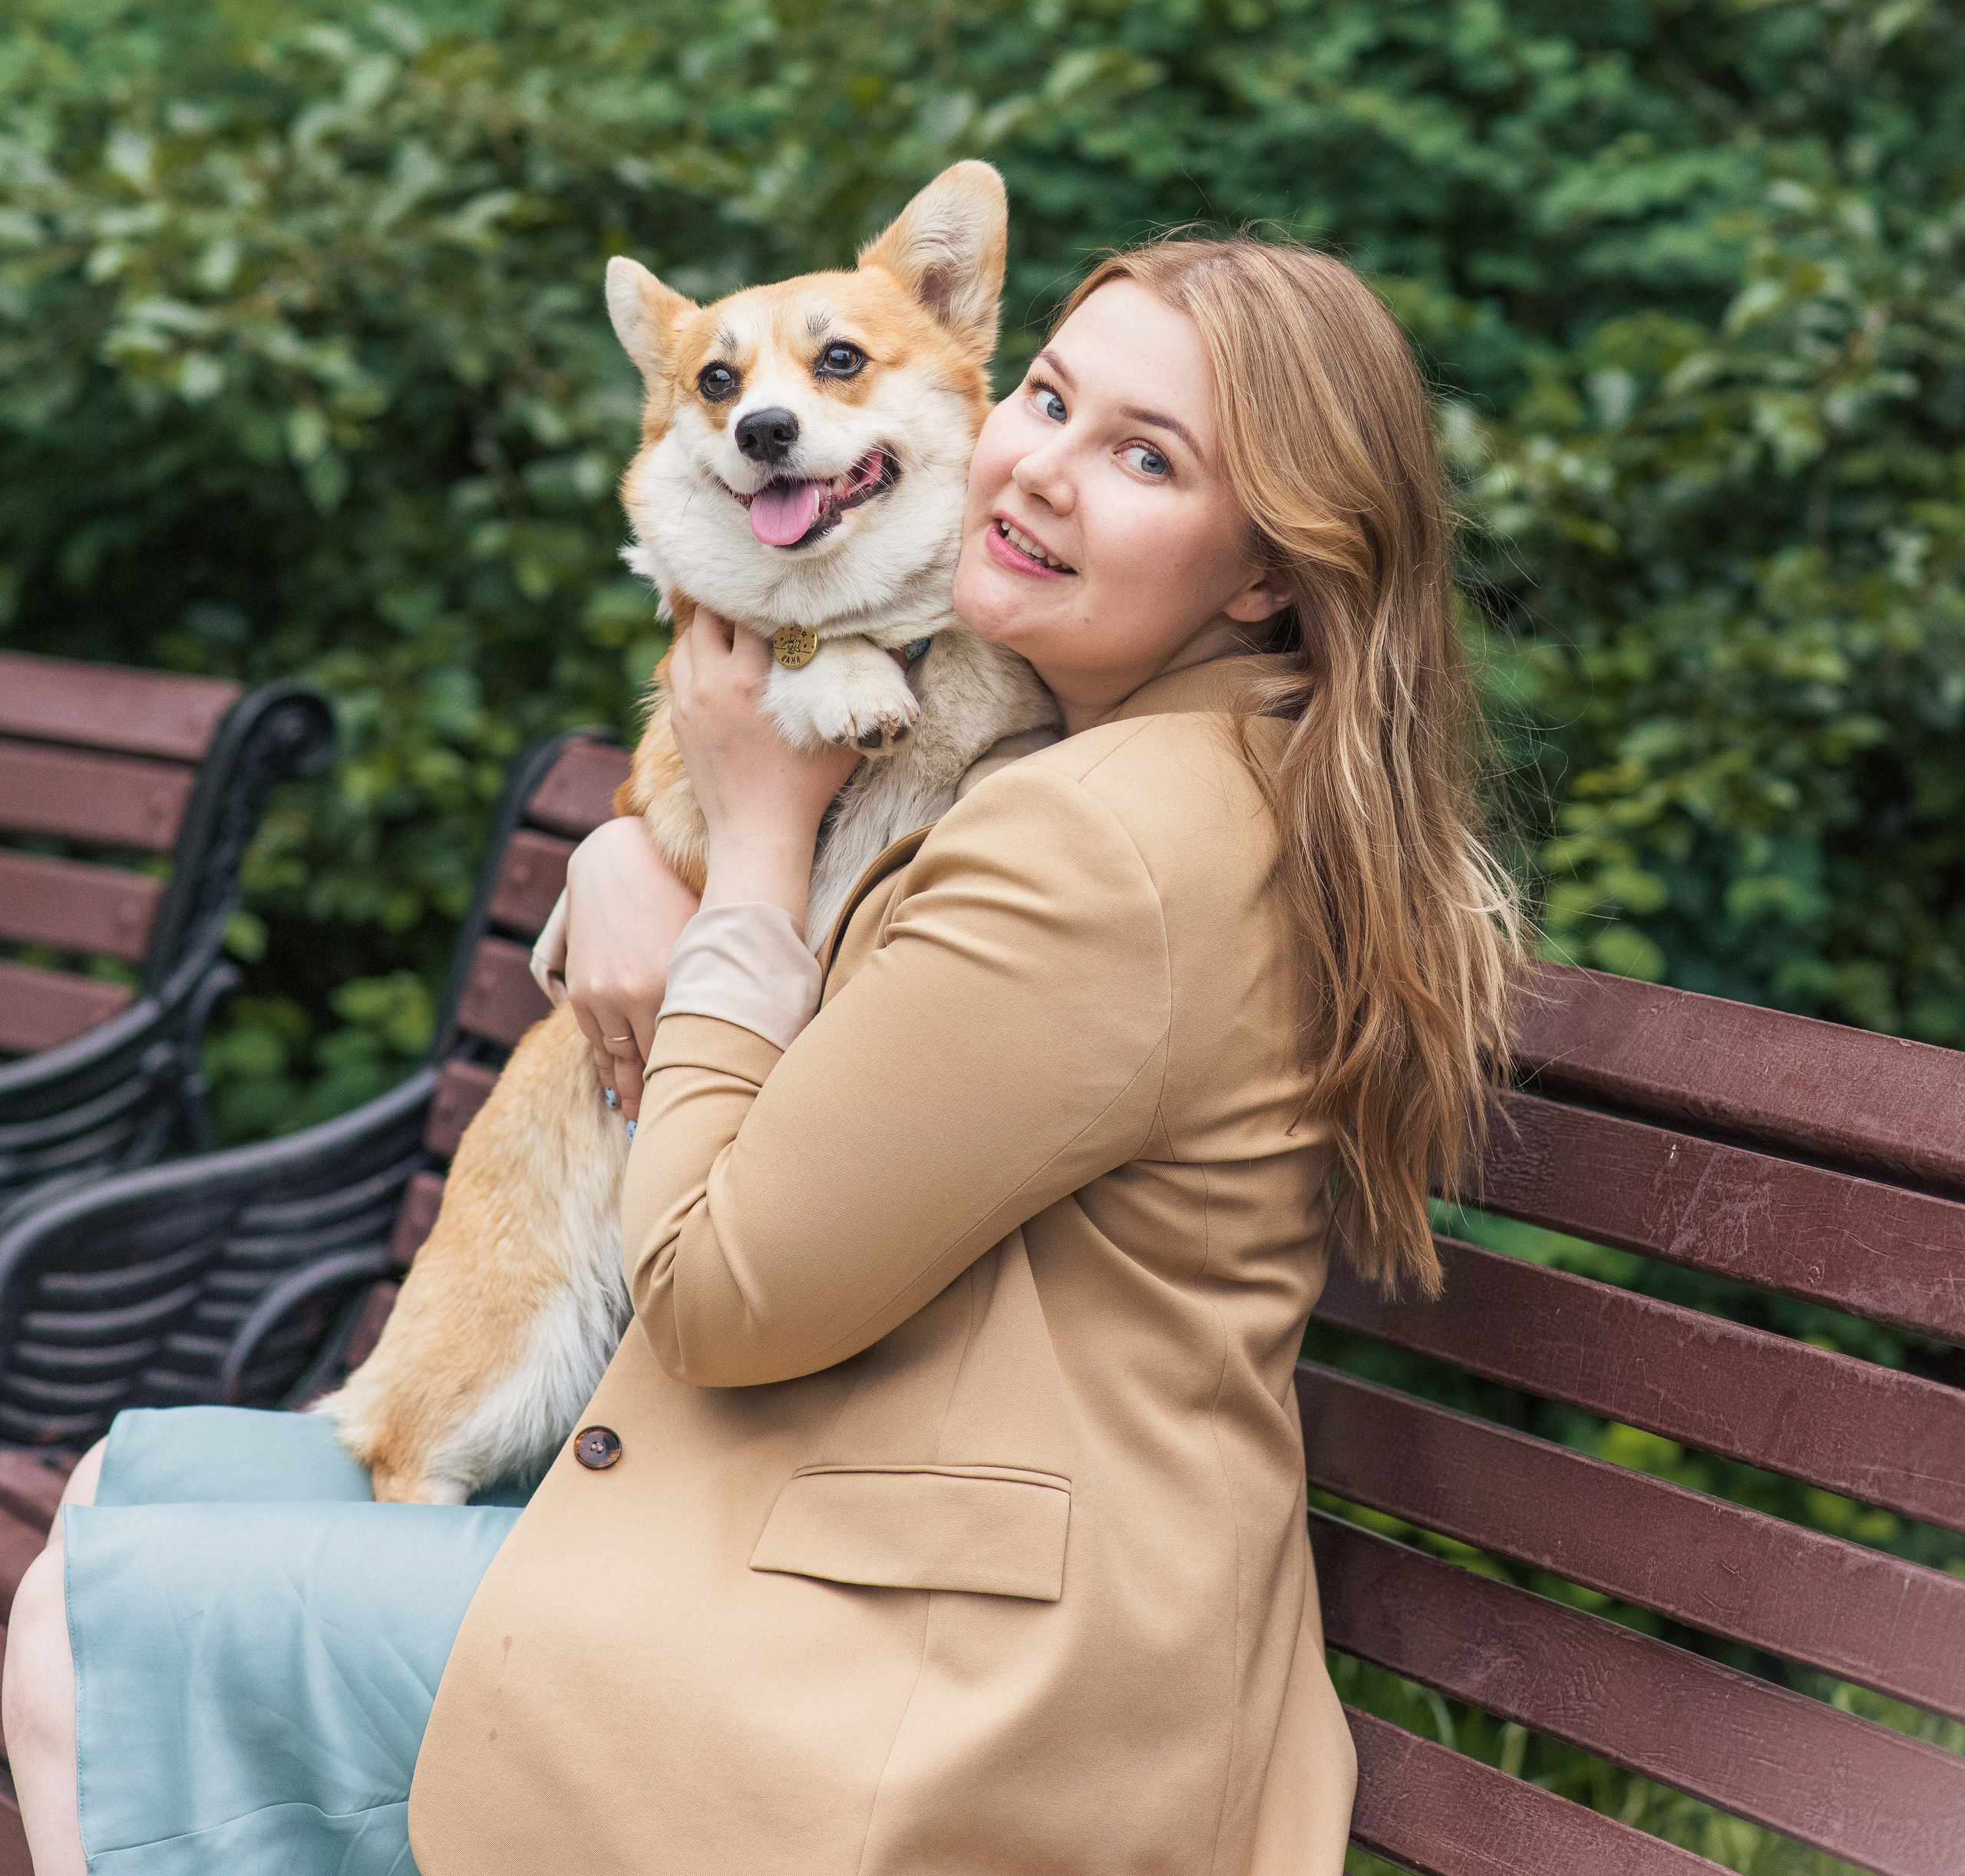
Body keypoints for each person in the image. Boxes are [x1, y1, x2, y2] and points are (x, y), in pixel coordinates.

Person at [4, 235, 1518, 1876]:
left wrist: (741, 852)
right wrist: (643, 854)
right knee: (115, 1487)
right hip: (902, 1538)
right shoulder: (1148, 761)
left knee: (88, 1624)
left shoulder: (1104, 847)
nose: (1045, 472)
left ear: (1264, 572)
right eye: (1051, 400)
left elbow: (721, 1298)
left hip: (935, 1688)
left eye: (1144, 457)